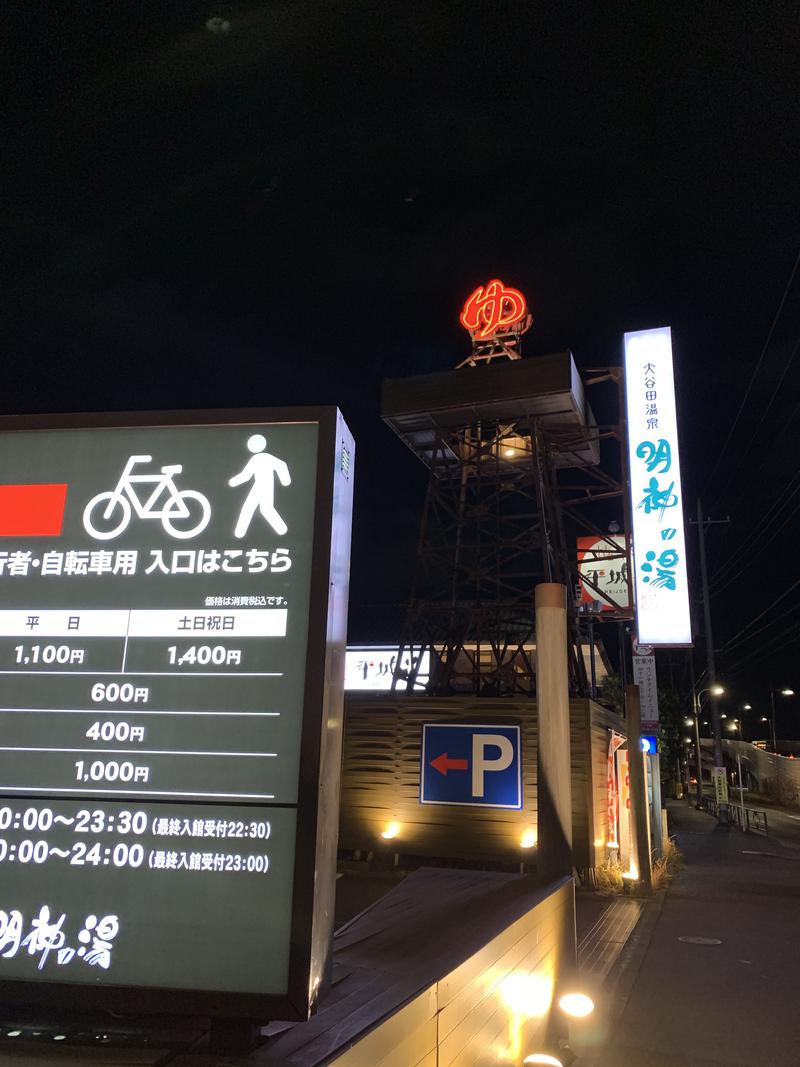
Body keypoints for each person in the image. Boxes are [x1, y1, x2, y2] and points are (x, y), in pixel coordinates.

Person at [229, 434, 291, 537]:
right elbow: (246, 475)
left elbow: (282, 465)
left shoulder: (264, 457)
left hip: (265, 486)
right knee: (250, 507)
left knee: (265, 509)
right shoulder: (257, 458)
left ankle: (282, 529)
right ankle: (239, 533)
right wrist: (233, 482)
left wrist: (285, 480)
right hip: (258, 487)